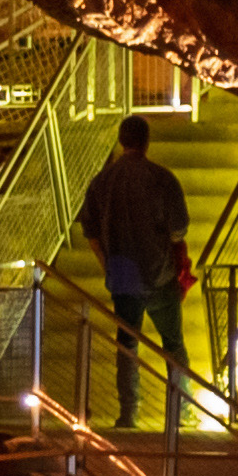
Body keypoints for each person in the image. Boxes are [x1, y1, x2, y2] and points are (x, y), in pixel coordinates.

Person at [76, 108, 198, 426]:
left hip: (123, 272)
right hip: (159, 271)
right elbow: (178, 228)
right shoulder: (161, 178)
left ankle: (128, 413)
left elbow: (89, 233)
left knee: (127, 344)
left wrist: (108, 267)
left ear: (120, 141)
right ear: (146, 142)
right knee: (172, 343)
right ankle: (180, 411)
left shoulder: (101, 182)